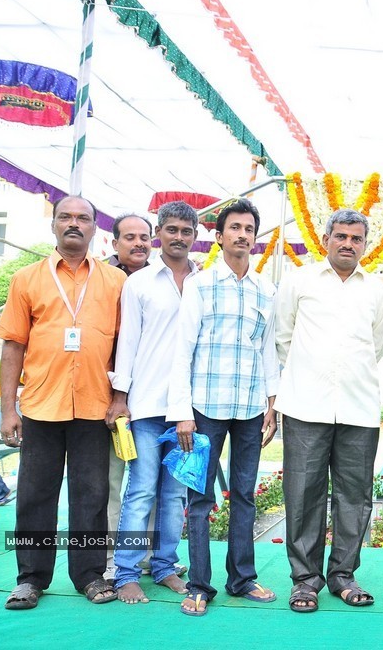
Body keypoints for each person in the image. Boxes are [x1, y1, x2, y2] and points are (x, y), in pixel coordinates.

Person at [0, 195, 127, 609]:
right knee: (35, 494)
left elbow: (126, 347)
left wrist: (120, 398)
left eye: (83, 218)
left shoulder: (115, 282)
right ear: (53, 225)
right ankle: (31, 578)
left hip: (94, 408)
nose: (74, 224)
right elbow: (13, 346)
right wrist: (7, 409)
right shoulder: (26, 280)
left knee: (90, 495)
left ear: (94, 229)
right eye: (66, 217)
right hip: (39, 405)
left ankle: (89, 576)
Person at [167, 198, 280, 617]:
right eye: (235, 228)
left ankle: (242, 578)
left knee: (245, 494)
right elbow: (183, 352)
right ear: (219, 236)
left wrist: (273, 403)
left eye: (249, 229)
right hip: (204, 410)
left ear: (254, 237)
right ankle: (199, 585)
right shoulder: (199, 285)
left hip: (250, 408)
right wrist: (182, 412)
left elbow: (268, 350)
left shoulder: (266, 290)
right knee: (199, 498)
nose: (242, 235)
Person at [274, 208, 383, 613]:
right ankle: (305, 581)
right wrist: (310, 373)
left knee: (354, 497)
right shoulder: (299, 281)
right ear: (326, 239)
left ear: (365, 244)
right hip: (306, 404)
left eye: (356, 239)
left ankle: (343, 575)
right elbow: (282, 337)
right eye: (340, 236)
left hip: (358, 406)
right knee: (302, 495)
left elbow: (378, 345)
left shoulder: (375, 290)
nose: (348, 244)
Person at [108, 201, 199, 604]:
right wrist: (120, 398)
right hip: (145, 406)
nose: (179, 237)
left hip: (189, 411)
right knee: (141, 489)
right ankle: (126, 572)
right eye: (172, 229)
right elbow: (127, 344)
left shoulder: (204, 282)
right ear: (159, 232)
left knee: (175, 494)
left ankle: (164, 566)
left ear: (196, 237)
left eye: (186, 230)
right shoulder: (139, 283)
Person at [103, 212, 153, 583]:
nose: (139, 243)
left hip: (153, 399)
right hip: (107, 398)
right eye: (130, 237)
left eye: (144, 237)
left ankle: (146, 556)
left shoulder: (167, 277)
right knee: (110, 479)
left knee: (151, 481)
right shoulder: (100, 278)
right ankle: (108, 556)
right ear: (114, 242)